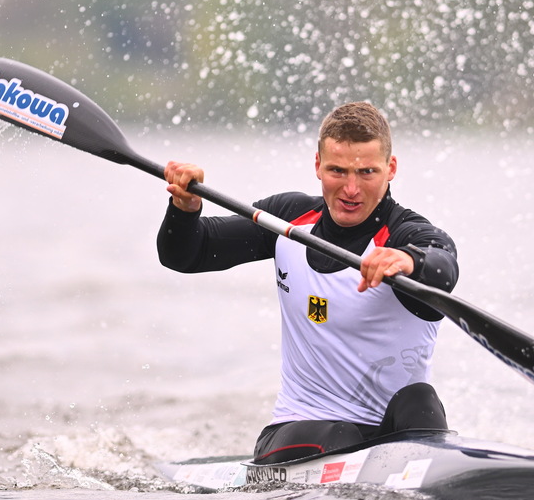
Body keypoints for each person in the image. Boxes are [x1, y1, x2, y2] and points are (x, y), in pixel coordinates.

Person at [158, 102, 459, 463]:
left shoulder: (407, 234)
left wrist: (410, 261)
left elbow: (443, 267)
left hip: (394, 430)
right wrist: (185, 209)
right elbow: (187, 254)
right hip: (303, 427)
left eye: (367, 172)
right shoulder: (287, 219)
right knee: (340, 434)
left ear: (390, 169)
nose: (351, 189)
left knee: (420, 400)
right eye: (337, 171)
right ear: (317, 166)